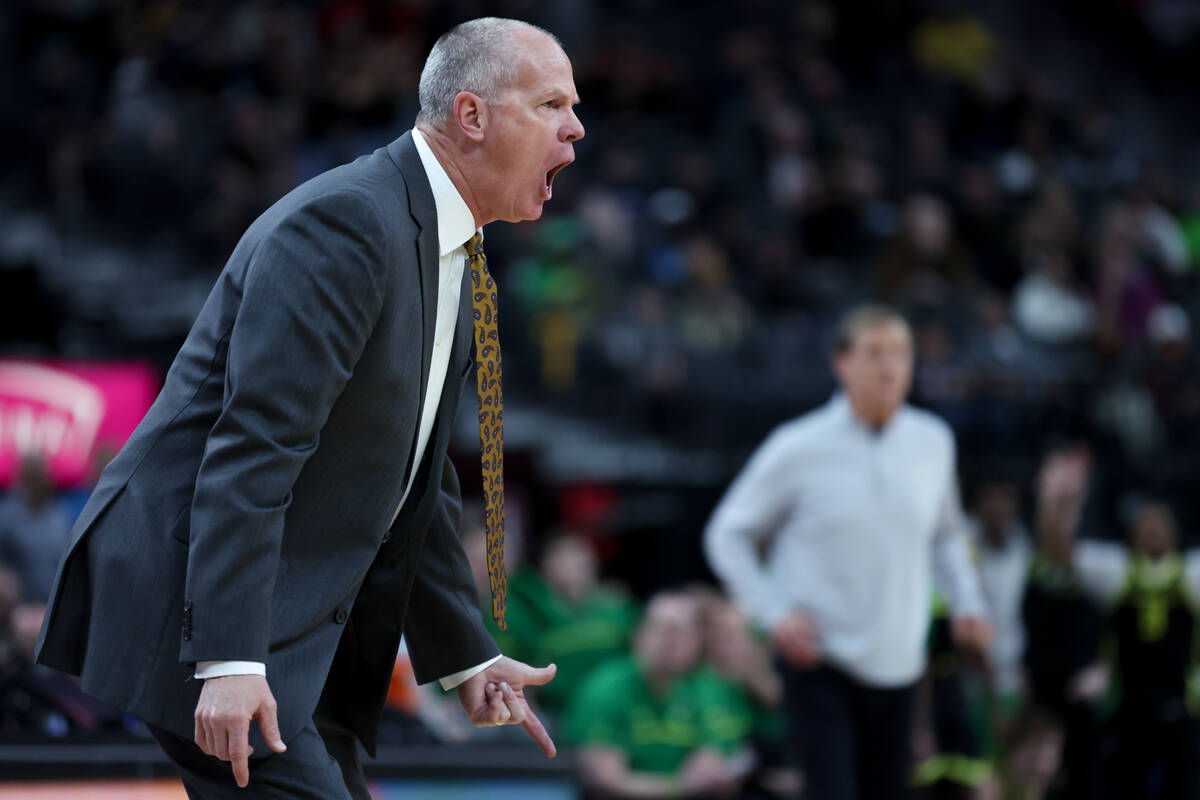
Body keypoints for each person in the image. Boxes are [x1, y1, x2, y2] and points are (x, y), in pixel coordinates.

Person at [34, 17, 584, 799]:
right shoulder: (351, 224)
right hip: (194, 603)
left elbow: (413, 477)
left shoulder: (451, 246)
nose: (576, 127)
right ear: (472, 116)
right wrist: (227, 660)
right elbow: (255, 445)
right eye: (553, 102)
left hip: (285, 620)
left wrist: (465, 653)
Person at [704, 303, 991, 800]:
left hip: (901, 661)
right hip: (821, 659)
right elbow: (726, 534)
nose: (889, 366)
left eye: (900, 353)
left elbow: (946, 533)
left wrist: (968, 601)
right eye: (874, 352)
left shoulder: (933, 441)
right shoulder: (798, 445)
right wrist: (774, 612)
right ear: (842, 363)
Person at [568, 591, 750, 799]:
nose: (673, 642)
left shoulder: (706, 688)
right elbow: (607, 779)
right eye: (664, 629)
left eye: (684, 632)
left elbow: (715, 756)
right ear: (639, 634)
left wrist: (713, 766)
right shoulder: (606, 687)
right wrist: (677, 786)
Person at [0, 454, 71, 603]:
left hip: (53, 603)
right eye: (35, 476)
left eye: (45, 476)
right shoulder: (6, 516)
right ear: (23, 479)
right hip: (18, 608)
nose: (42, 482)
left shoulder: (59, 514)